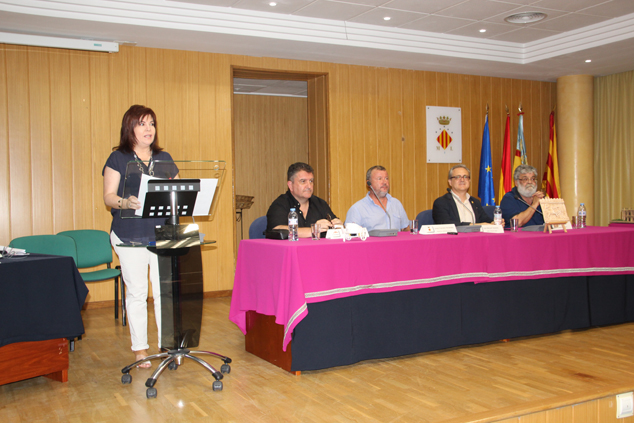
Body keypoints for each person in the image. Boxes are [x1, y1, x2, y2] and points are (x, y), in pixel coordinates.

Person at [102, 105, 178, 367]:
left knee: (164, 292)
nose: (149, 129)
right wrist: (125, 202)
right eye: (142, 123)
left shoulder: (164, 157)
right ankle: (140, 349)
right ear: (129, 128)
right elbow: (108, 196)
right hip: (129, 234)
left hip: (161, 233)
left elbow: (177, 190)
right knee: (137, 292)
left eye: (152, 124)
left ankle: (167, 344)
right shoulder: (118, 158)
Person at [266, 162, 342, 238]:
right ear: (290, 185)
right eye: (303, 181)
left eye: (311, 181)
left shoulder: (320, 204)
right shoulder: (280, 204)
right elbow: (277, 229)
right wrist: (313, 230)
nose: (309, 186)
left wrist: (338, 227)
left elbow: (334, 226)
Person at [345, 165, 410, 231]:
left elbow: (405, 228)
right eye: (379, 179)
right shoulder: (357, 209)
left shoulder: (396, 204)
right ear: (368, 183)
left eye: (386, 178)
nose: (384, 182)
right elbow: (350, 235)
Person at [432, 164, 499, 226]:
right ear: (450, 182)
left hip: (476, 235)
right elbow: (446, 223)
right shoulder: (441, 202)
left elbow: (485, 220)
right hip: (455, 235)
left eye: (465, 177)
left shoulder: (475, 202)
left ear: (469, 181)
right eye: (457, 177)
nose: (462, 180)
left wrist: (494, 223)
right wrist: (473, 225)